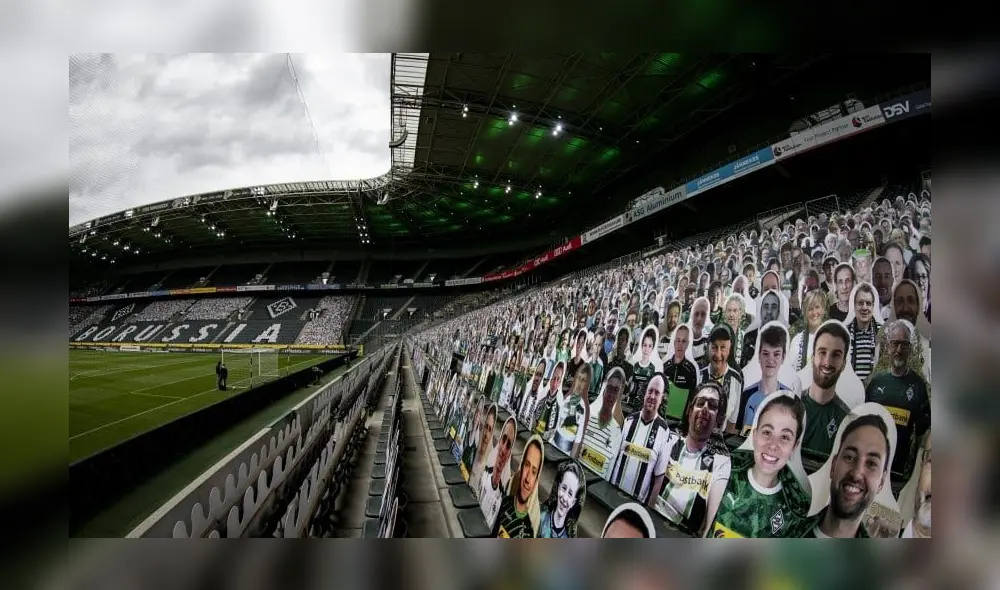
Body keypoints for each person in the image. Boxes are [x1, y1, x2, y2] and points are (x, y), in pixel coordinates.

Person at [709, 392, 812, 537]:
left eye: (784, 437)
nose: (773, 445)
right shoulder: (724, 471)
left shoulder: (796, 510)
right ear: (755, 434)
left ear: (794, 447)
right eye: (767, 432)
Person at [651, 382, 732, 536]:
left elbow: (710, 524)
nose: (705, 408)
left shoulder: (721, 462)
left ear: (719, 419)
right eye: (700, 403)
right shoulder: (669, 440)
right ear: (689, 410)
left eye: (712, 406)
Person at [803, 413, 891, 537]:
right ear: (833, 466)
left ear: (881, 482)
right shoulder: (787, 534)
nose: (856, 474)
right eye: (849, 457)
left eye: (871, 463)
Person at [865, 320, 931, 481]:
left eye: (904, 344)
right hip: (871, 466)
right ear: (888, 347)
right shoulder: (875, 383)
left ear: (910, 349)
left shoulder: (918, 386)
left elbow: (923, 435)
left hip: (899, 474)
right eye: (895, 344)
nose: (899, 350)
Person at [609, 374, 672, 504]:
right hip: (612, 496)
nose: (652, 396)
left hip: (636, 506)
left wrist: (648, 509)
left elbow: (659, 478)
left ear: (661, 399)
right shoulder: (629, 421)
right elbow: (613, 458)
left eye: (657, 393)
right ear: (645, 393)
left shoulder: (664, 432)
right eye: (650, 391)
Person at [800, 321, 852, 459]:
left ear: (844, 364)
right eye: (822, 352)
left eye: (836, 355)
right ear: (812, 358)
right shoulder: (792, 407)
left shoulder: (846, 421)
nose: (827, 362)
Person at [733, 323, 797, 436]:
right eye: (766, 354)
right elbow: (738, 434)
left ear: (783, 357)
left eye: (776, 354)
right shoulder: (746, 395)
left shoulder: (790, 399)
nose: (770, 360)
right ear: (759, 356)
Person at [579, 367, 627, 478]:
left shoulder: (616, 431)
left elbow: (610, 471)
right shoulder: (588, 418)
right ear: (603, 390)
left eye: (615, 391)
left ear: (618, 395)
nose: (611, 395)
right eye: (609, 389)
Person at [492, 436, 544, 538]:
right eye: (527, 465)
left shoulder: (529, 531)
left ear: (535, 482)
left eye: (534, 472)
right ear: (521, 468)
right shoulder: (505, 503)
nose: (528, 479)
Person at [700, 325, 744, 432]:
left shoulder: (736, 380)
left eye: (723, 347)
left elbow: (731, 424)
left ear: (729, 350)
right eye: (714, 347)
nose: (718, 354)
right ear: (708, 348)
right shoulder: (699, 375)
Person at [479, 417, 516, 529]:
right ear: (499, 441)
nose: (504, 449)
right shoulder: (484, 474)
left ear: (510, 454)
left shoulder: (504, 499)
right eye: (503, 440)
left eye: (509, 445)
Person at [661, 324, 700, 425]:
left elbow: (693, 401)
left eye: (683, 341)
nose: (680, 344)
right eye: (678, 340)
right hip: (661, 419)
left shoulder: (691, 370)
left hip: (679, 424)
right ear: (674, 342)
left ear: (688, 344)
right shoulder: (665, 366)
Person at [538, 460, 587, 538]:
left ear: (573, 502)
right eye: (564, 488)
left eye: (570, 494)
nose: (564, 497)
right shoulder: (540, 518)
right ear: (558, 487)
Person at [788, 290, 828, 373]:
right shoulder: (797, 341)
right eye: (810, 309)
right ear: (805, 313)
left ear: (823, 310)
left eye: (817, 307)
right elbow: (791, 372)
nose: (814, 312)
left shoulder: (832, 338)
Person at [468, 404, 498, 492]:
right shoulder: (474, 446)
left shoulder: (491, 465)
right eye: (486, 427)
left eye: (490, 429)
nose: (486, 435)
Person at [871, 256, 894, 321]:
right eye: (878, 276)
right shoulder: (865, 309)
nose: (882, 281)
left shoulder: (901, 308)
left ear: (892, 280)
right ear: (873, 280)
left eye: (886, 276)